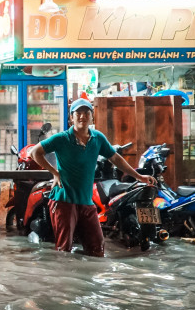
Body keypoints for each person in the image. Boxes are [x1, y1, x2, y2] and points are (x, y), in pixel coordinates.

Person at [30, 98, 154, 255]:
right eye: (78, 113)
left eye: (86, 113)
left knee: (97, 247)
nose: (82, 116)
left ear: (91, 116)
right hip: (63, 201)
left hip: (86, 202)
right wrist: (55, 172)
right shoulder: (62, 138)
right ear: (71, 117)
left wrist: (139, 177)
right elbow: (35, 152)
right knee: (64, 249)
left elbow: (115, 158)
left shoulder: (98, 138)